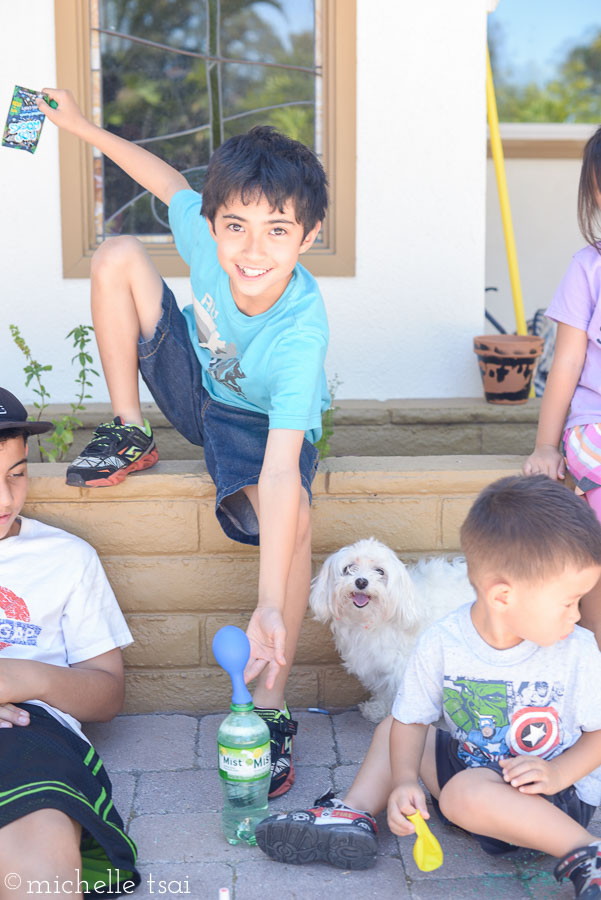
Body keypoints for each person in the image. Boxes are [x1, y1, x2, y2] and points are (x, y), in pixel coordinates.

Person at [36, 89, 330, 798]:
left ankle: (270, 705)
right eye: (235, 227)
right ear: (211, 223)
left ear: (307, 236)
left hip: (260, 427)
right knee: (117, 254)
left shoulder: (300, 333)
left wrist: (264, 603)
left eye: (276, 232)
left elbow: (285, 470)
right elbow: (161, 176)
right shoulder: (203, 236)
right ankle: (130, 427)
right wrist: (79, 126)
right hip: (197, 384)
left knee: (293, 526)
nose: (251, 250)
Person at [256, 475, 601, 898]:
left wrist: (558, 772)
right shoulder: (442, 640)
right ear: (503, 597)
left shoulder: (577, 650)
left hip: (552, 793)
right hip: (476, 768)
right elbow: (411, 722)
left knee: (461, 795)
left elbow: (598, 735)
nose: (578, 615)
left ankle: (586, 854)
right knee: (392, 730)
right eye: (569, 602)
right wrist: (404, 781)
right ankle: (352, 813)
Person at [0, 387, 140, 896]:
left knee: (34, 869)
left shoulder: (65, 558)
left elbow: (107, 695)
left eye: (17, 474)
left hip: (26, 733)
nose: (5, 498)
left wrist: (21, 678)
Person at [523, 124, 601, 645]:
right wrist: (546, 446)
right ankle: (594, 645)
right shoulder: (587, 268)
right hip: (592, 430)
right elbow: (567, 365)